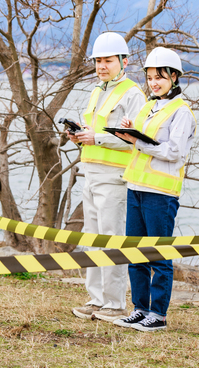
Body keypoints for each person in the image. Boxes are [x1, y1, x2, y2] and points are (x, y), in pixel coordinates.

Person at [112, 47, 196, 332]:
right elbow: (140, 138)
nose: (154, 82)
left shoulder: (182, 112)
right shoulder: (149, 106)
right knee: (135, 253)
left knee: (158, 255)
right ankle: (139, 309)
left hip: (161, 193)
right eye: (150, 77)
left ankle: (157, 315)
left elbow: (173, 152)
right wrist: (127, 129)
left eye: (160, 77)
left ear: (174, 77)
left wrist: (138, 142)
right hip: (135, 186)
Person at [67, 32, 146, 322]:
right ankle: (96, 299)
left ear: (124, 61)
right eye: (98, 61)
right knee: (92, 239)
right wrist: (79, 136)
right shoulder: (97, 91)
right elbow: (96, 132)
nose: (102, 66)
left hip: (115, 177)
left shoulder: (133, 94)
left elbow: (135, 139)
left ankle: (114, 304)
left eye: (107, 60)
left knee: (113, 240)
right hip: (91, 173)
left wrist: (96, 138)